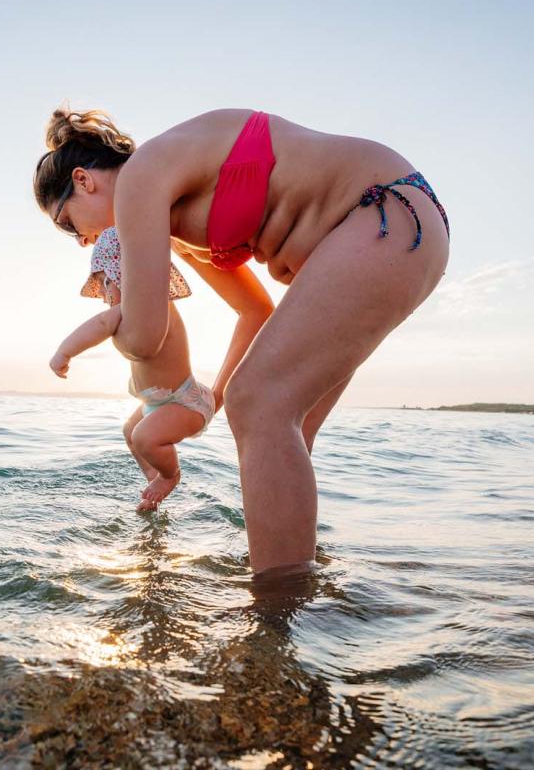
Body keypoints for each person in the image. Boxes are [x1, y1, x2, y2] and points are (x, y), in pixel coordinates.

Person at [33, 106, 450, 574]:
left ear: (84, 180)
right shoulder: (173, 215)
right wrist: (214, 398)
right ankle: (304, 598)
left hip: (384, 213)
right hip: (394, 224)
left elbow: (145, 340)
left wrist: (110, 316)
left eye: (67, 223)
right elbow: (254, 312)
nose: (82, 243)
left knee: (263, 404)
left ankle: (273, 622)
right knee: (285, 427)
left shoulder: (142, 175)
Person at [49, 226, 215, 512]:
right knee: (130, 431)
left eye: (105, 284)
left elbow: (100, 325)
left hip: (184, 402)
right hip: (158, 401)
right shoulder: (134, 313)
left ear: (121, 277)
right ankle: (153, 476)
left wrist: (64, 352)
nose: (103, 295)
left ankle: (169, 475)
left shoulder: (147, 307)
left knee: (144, 437)